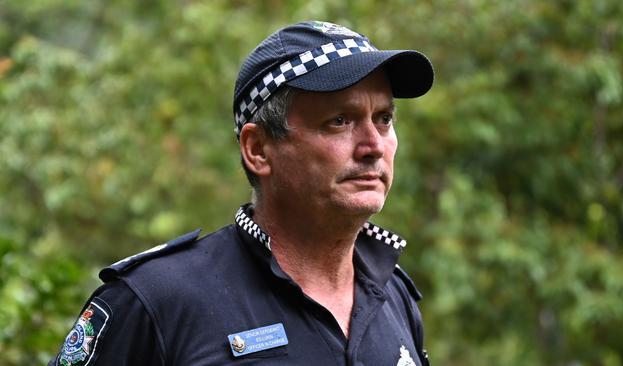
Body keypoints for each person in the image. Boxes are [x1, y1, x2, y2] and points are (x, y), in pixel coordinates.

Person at [49, 20, 434, 366]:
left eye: (383, 119)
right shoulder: (155, 300)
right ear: (258, 149)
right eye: (339, 121)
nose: (373, 145)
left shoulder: (393, 294)